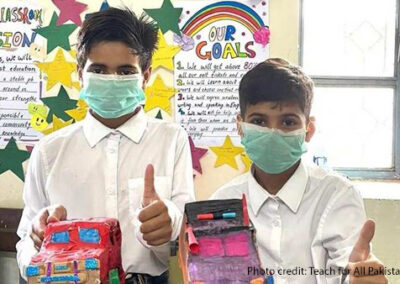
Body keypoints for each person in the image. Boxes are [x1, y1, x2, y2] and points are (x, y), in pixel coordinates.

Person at [16, 8, 194, 284]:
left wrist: (169, 222)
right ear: (80, 74)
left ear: (145, 76)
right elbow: (26, 239)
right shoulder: (49, 151)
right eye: (98, 70)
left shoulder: (172, 140)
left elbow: (186, 226)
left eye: (125, 71)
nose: (112, 80)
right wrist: (38, 244)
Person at [211, 58, 387, 284]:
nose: (273, 132)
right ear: (240, 127)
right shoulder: (223, 202)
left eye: (287, 122)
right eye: (259, 121)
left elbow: (352, 268)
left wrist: (360, 280)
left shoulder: (337, 195)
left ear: (308, 129)